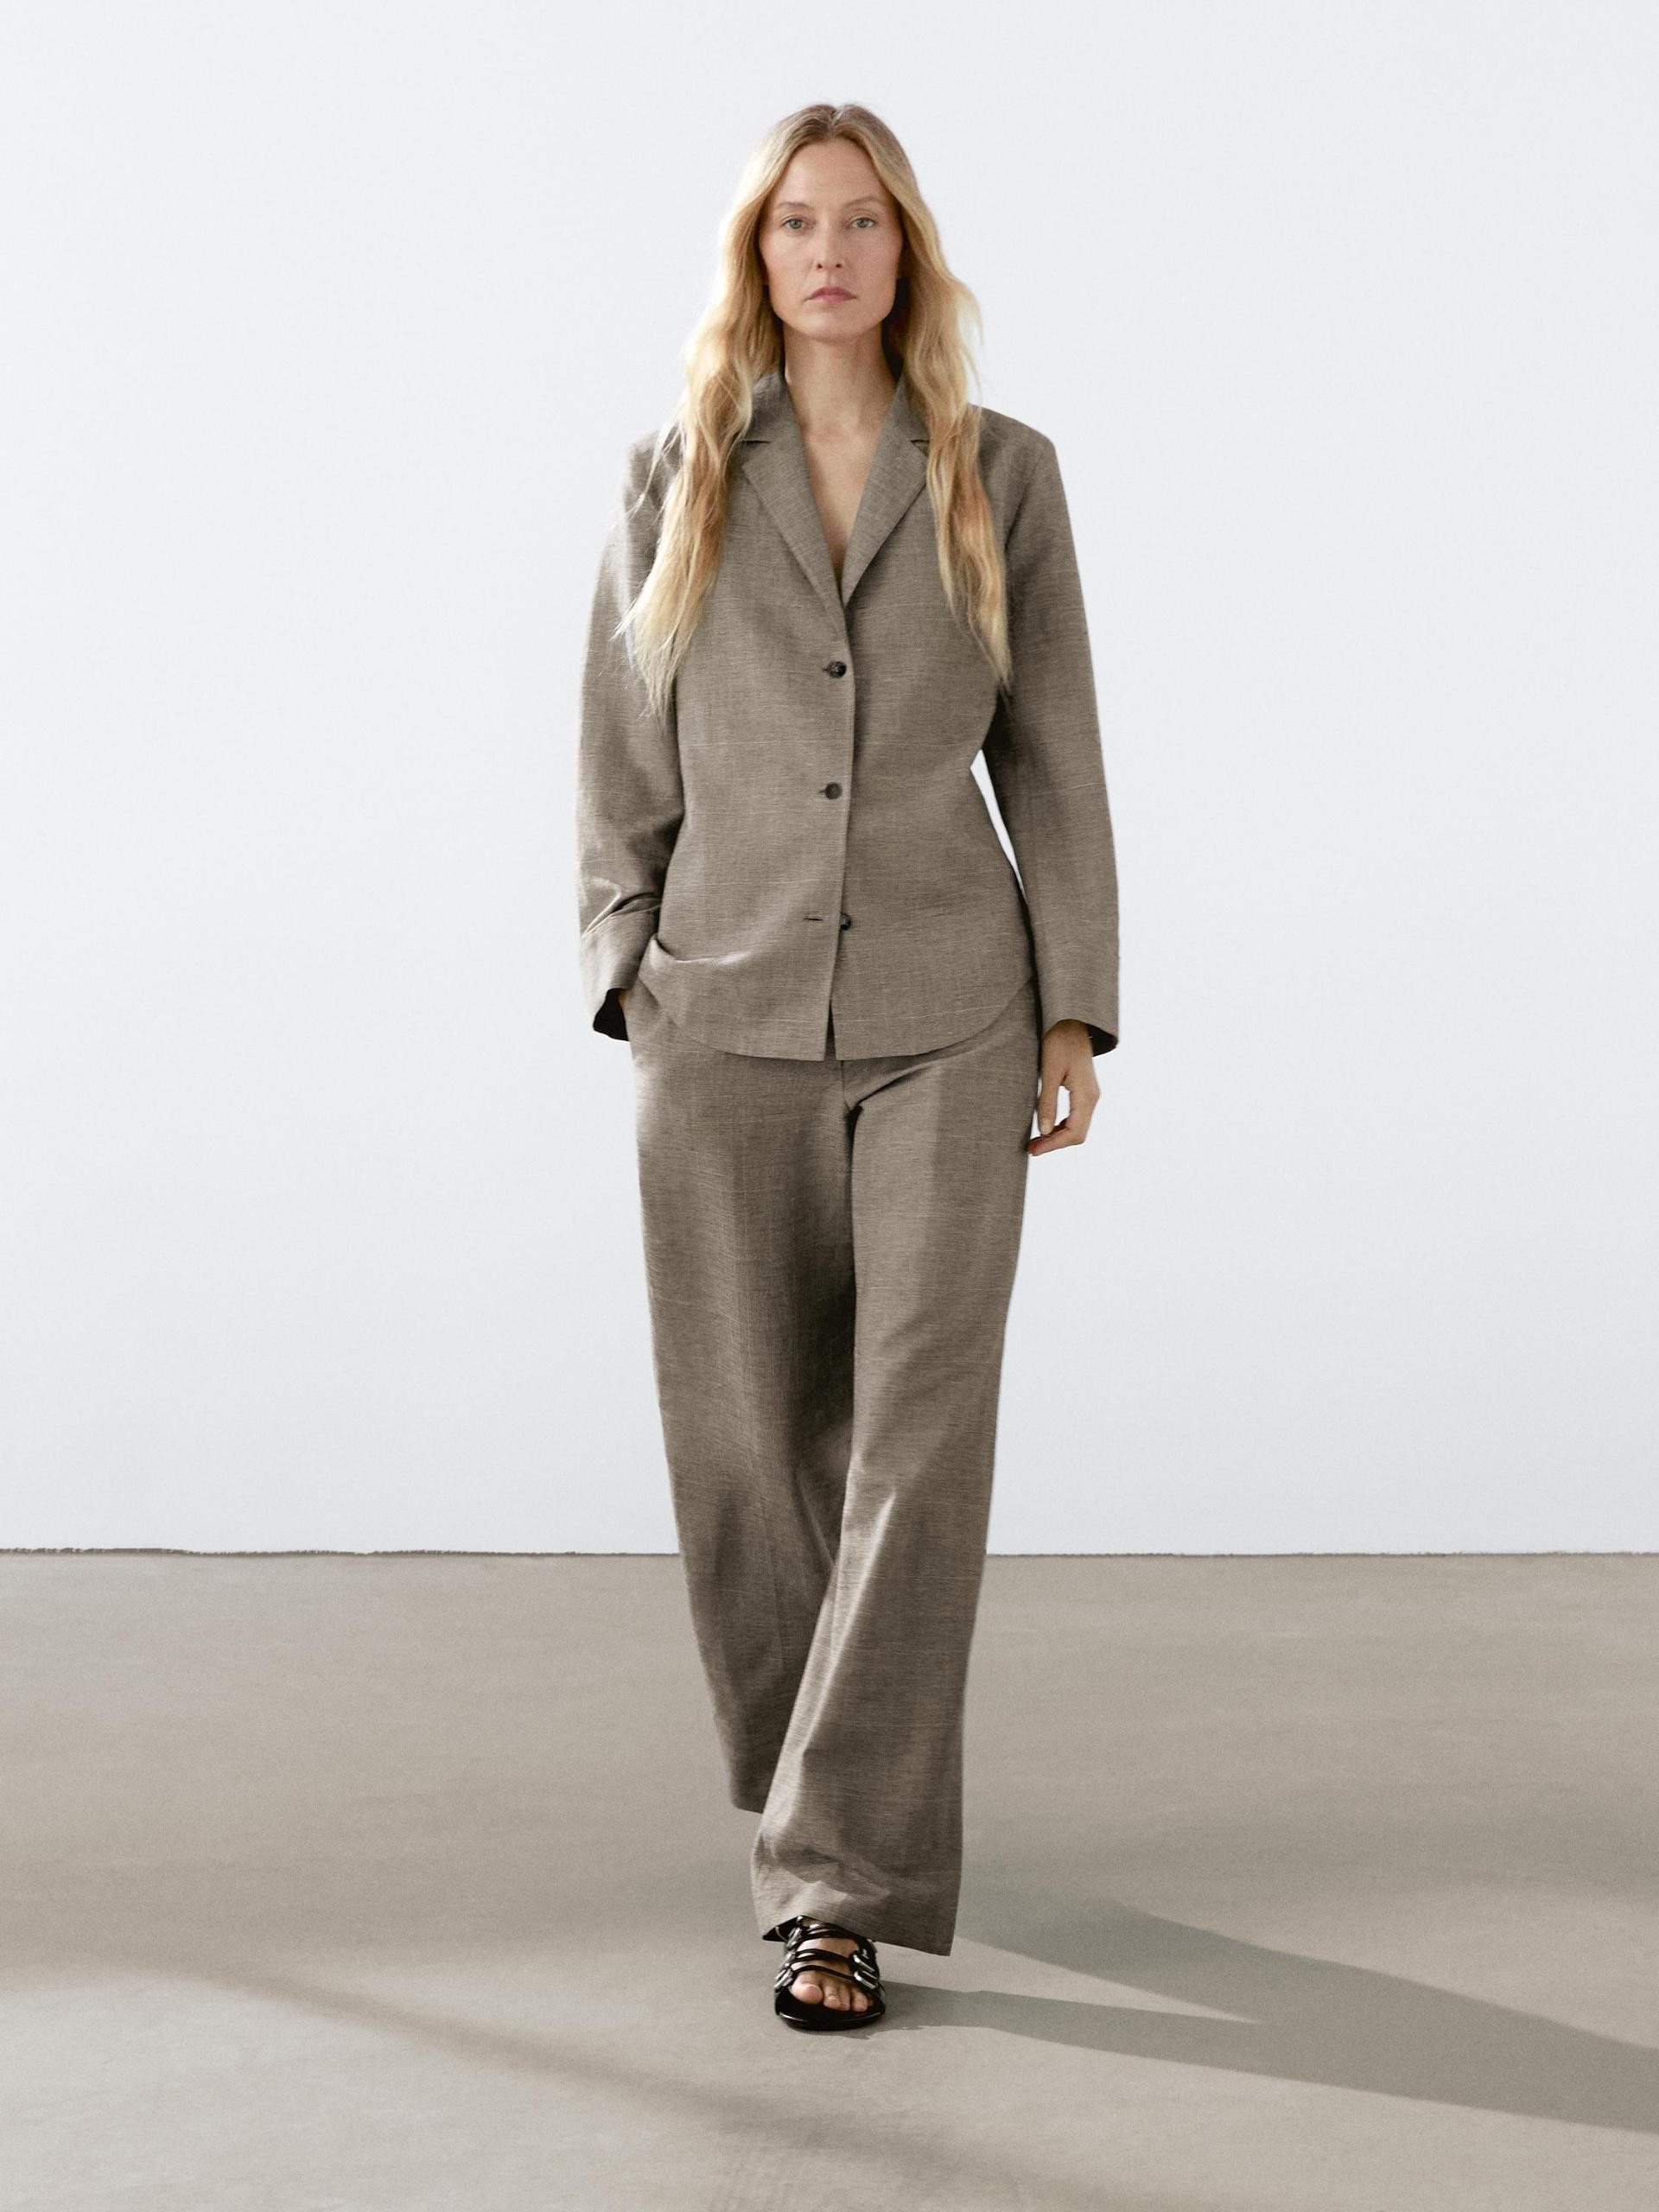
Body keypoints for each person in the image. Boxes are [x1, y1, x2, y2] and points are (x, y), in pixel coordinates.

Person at [575, 101, 1120, 2031]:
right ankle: (821, 1783)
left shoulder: (1001, 471)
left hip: (953, 1014)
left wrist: (1071, 1007)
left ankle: (835, 1886)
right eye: (798, 223)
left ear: (907, 251)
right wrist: (626, 970)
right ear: (760, 251)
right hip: (715, 1015)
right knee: (744, 1446)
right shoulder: (673, 472)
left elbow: (1053, 747)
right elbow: (619, 746)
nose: (830, 253)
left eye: (864, 222)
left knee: (915, 1445)